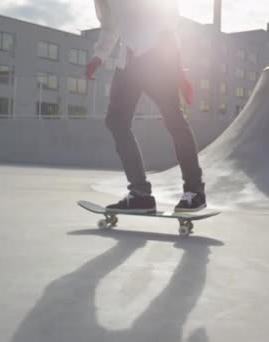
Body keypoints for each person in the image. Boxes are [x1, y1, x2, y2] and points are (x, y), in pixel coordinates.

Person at [86, 0, 206, 213]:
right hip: (128, 61)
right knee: (116, 121)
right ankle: (140, 193)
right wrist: (98, 56)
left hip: (157, 56)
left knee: (173, 120)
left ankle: (195, 191)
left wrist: (179, 70)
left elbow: (168, 17)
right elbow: (110, 27)